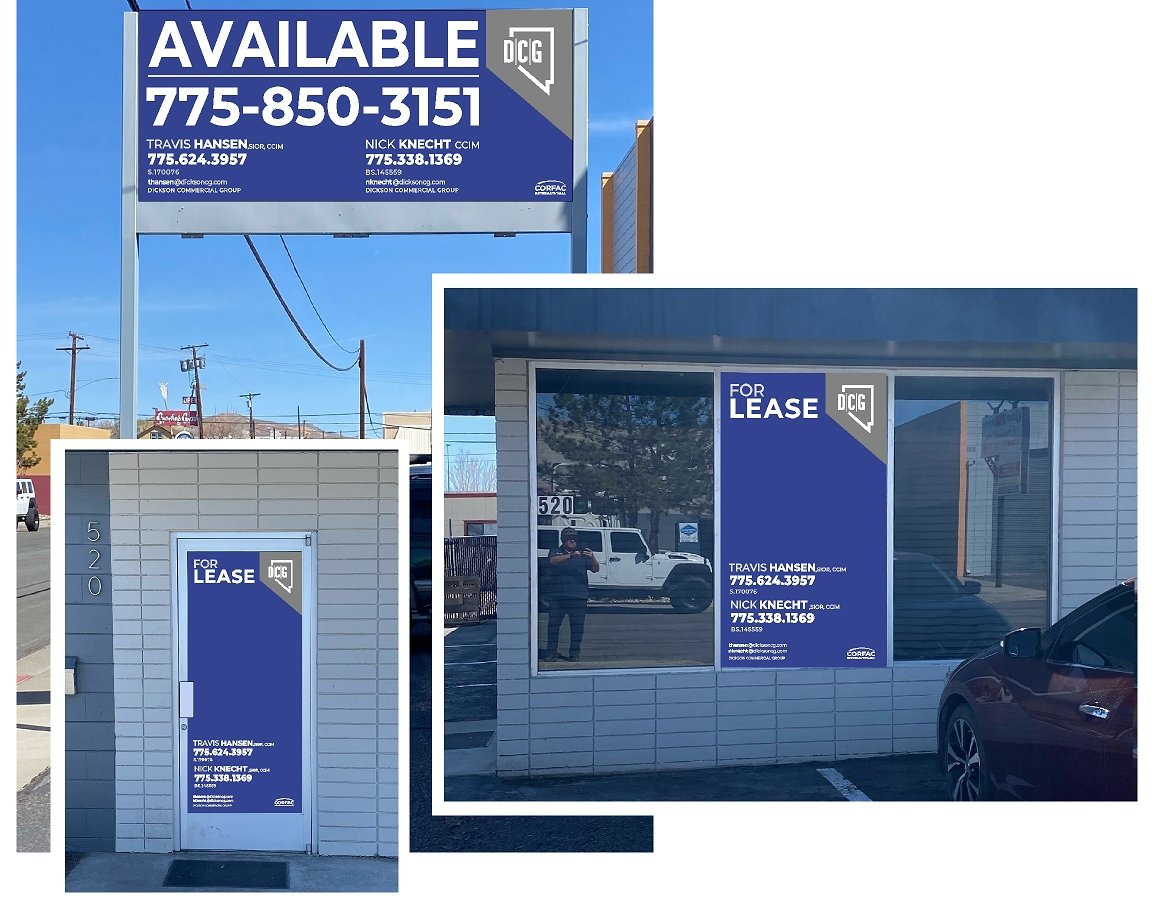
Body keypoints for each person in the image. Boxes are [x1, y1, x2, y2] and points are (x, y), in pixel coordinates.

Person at [543, 527, 599, 663]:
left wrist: (592, 557)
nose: (572, 541)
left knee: (577, 628)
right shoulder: (555, 551)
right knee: (553, 627)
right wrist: (569, 556)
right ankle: (551, 653)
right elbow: (552, 561)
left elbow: (596, 569)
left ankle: (574, 654)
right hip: (558, 596)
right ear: (563, 540)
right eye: (569, 538)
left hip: (578, 597)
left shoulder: (583, 554)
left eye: (574, 538)